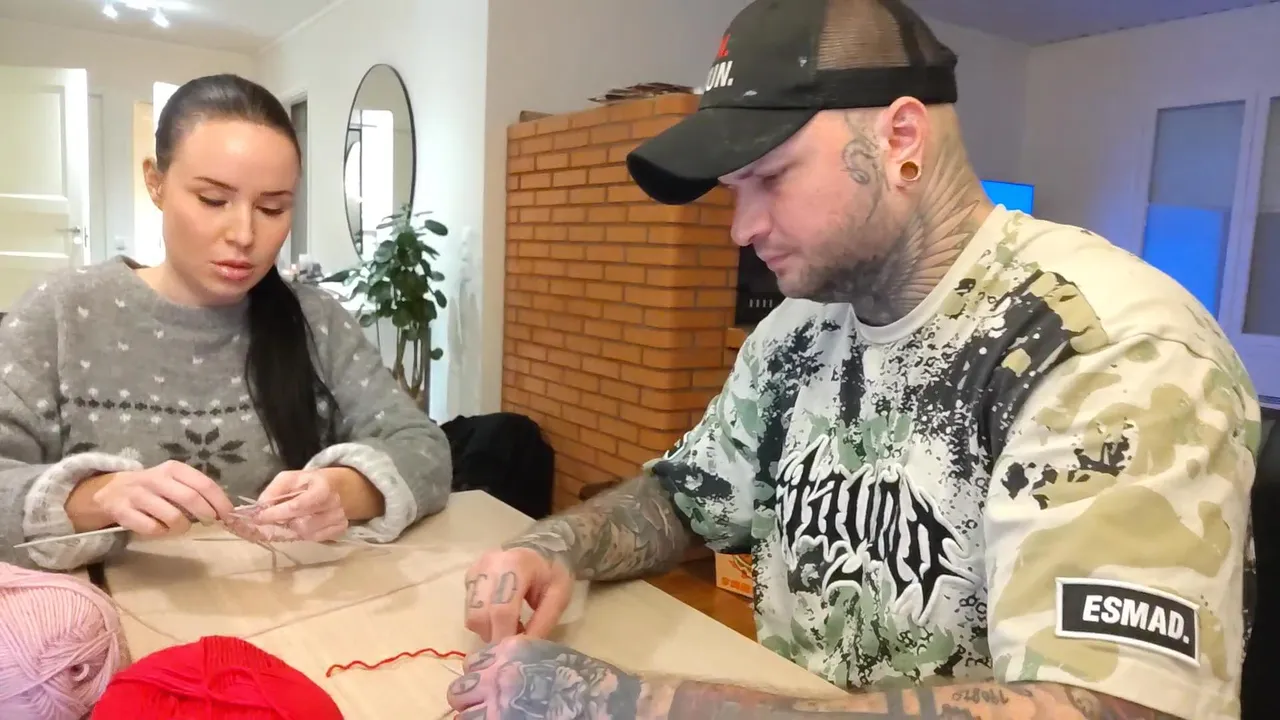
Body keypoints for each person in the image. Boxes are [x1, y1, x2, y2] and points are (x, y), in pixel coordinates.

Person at [451, 0, 1258, 719]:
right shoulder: (797, 333)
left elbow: (1114, 706)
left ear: (900, 138)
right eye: (734, 189)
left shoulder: (1106, 350)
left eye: (770, 177)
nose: (741, 228)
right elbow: (685, 499)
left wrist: (636, 703)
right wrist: (555, 548)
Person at [0, 74, 453, 572]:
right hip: (110, 610)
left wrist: (343, 490)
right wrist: (92, 497)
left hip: (288, 607)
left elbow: (423, 448)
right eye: (213, 201)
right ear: (156, 182)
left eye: (272, 208)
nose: (244, 234)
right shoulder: (63, 313)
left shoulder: (317, 321)